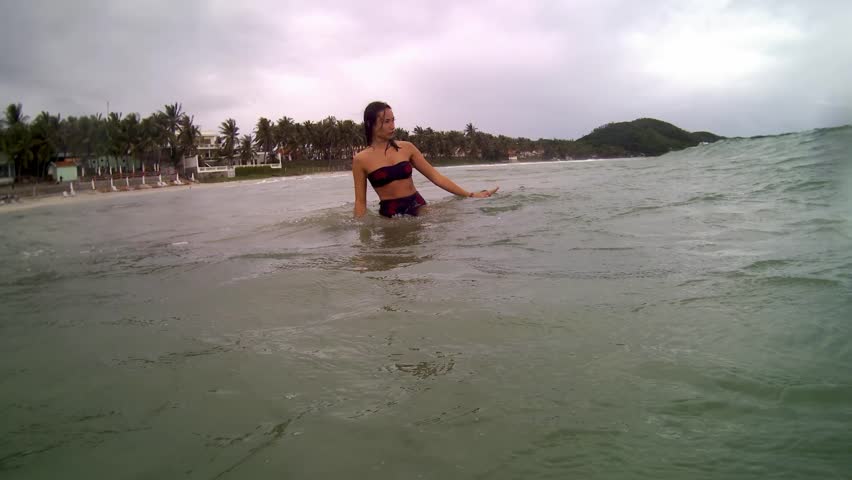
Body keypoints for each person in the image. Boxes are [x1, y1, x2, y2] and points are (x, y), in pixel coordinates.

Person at [352, 101, 499, 218]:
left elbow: (436, 177)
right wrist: (361, 242)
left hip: (419, 207)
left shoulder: (407, 148)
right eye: (386, 121)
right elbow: (360, 202)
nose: (392, 126)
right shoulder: (361, 160)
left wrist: (471, 195)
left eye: (393, 120)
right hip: (391, 216)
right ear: (371, 124)